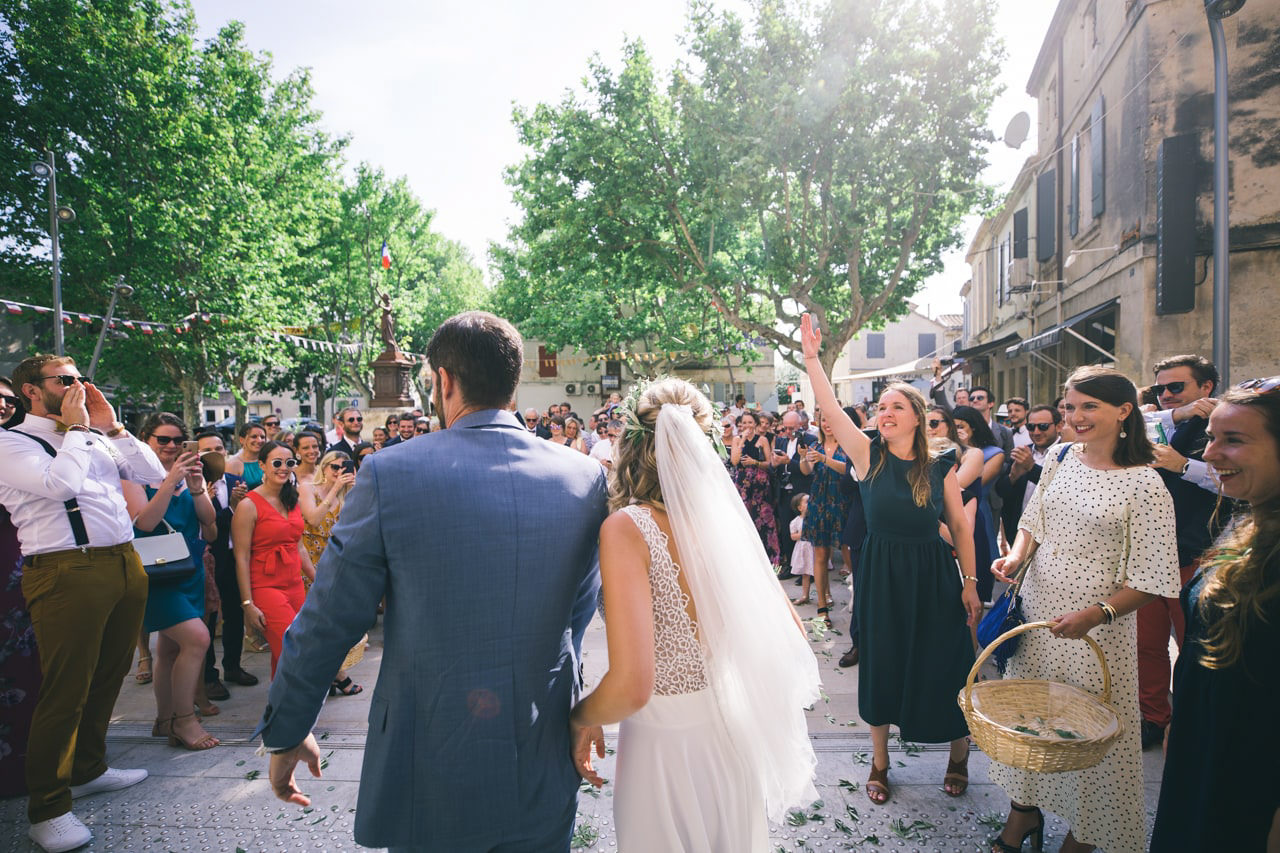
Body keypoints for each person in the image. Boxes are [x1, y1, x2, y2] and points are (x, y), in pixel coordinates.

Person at [255, 311, 608, 851]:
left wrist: (287, 729)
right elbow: (577, 614)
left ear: (444, 380)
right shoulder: (584, 476)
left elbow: (330, 618)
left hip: (431, 749)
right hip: (541, 741)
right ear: (512, 383)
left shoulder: (389, 473)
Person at [570, 377, 819, 851]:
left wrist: (580, 717)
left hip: (664, 750)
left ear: (631, 445)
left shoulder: (627, 528)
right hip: (730, 737)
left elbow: (632, 685)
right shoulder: (724, 522)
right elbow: (792, 633)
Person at [988, 366, 1180, 853]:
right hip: (1038, 612)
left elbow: (1153, 580)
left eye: (1088, 406)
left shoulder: (1146, 485)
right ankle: (1023, 819)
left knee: (1089, 737)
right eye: (1070, 407)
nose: (1076, 417)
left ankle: (1085, 836)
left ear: (1124, 411)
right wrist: (1014, 557)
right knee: (1029, 723)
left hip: (1095, 629)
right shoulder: (1060, 455)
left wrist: (1095, 615)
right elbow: (1034, 520)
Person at [800, 315, 980, 806]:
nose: (885, 412)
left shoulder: (940, 464)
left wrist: (971, 582)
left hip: (933, 573)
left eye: (896, 406)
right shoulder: (866, 454)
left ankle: (958, 752)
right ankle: (880, 761)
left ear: (917, 417)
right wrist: (813, 359)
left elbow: (960, 528)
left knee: (945, 661)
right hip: (880, 574)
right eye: (881, 406)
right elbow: (832, 410)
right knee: (881, 662)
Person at [0, 355, 162, 852]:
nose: (77, 387)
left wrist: (111, 426)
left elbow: (152, 472)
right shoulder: (11, 441)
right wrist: (75, 429)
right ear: (31, 390)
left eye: (80, 378)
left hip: (123, 561)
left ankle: (88, 768)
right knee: (65, 688)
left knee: (109, 673)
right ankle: (47, 809)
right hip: (65, 569)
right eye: (65, 381)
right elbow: (59, 485)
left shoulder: (90, 434)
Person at [1151, 378, 1280, 852]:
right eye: (1210, 437)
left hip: (1252, 775)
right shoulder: (1249, 527)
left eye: (1234, 440)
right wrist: (1181, 724)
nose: (1209, 454)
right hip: (1208, 747)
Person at [1137, 354, 1224, 748]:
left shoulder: (1224, 424)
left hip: (1196, 552)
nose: (1166, 395)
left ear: (1206, 387)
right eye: (1161, 388)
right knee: (1145, 645)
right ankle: (1152, 718)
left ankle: (1192, 723)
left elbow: (1235, 481)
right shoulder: (1157, 419)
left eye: (1177, 387)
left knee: (1193, 646)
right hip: (1147, 555)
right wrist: (1179, 412)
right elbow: (1124, 424)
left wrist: (1182, 465)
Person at [122, 413, 220, 752]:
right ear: (145, 441)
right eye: (162, 440)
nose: (171, 446)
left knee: (169, 648)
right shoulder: (131, 476)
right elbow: (145, 522)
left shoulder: (190, 478)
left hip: (188, 570)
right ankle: (184, 719)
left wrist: (195, 490)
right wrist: (168, 482)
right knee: (198, 638)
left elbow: (211, 527)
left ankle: (164, 719)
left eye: (178, 440)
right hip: (154, 573)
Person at [232, 441, 315, 678]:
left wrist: (317, 581)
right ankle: (290, 705)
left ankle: (280, 705)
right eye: (277, 463)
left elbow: (299, 547)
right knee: (292, 646)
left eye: (289, 463)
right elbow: (241, 556)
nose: (284, 468)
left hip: (294, 584)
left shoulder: (292, 499)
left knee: (285, 651)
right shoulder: (248, 505)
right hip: (265, 585)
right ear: (262, 465)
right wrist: (248, 604)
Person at [196, 430, 257, 703]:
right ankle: (209, 676)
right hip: (208, 558)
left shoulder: (236, 481)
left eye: (219, 448)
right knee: (208, 619)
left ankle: (232, 666)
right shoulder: (194, 486)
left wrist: (242, 504)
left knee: (235, 614)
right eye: (207, 450)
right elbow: (207, 527)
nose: (215, 453)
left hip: (235, 558)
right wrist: (228, 507)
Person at [298, 450, 362, 696]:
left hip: (335, 562)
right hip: (309, 563)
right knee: (316, 626)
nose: (338, 472)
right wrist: (335, 489)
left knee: (331, 625)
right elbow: (313, 520)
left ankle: (331, 675)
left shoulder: (347, 492)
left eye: (343, 467)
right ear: (323, 467)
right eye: (333, 467)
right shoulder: (307, 488)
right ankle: (337, 676)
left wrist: (354, 490)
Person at [798, 408, 852, 627]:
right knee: (820, 555)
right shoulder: (816, 446)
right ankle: (822, 607)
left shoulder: (847, 446)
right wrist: (804, 459)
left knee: (849, 554)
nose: (827, 423)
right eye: (823, 420)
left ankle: (858, 601)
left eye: (830, 419)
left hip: (843, 504)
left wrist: (823, 458)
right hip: (819, 503)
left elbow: (848, 470)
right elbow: (806, 471)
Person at [951, 405, 1005, 602]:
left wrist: (965, 449)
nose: (956, 430)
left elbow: (969, 484)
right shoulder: (947, 451)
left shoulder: (992, 453)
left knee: (977, 569)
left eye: (960, 426)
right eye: (952, 426)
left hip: (976, 510)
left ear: (973, 427)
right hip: (947, 515)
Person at [993, 404, 1060, 545]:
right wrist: (1013, 477)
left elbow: (1060, 490)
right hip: (1019, 535)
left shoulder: (1068, 454)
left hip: (1053, 536)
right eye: (1031, 427)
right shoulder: (1022, 453)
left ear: (1058, 426)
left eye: (1042, 426)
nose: (1036, 432)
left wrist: (1031, 468)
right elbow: (1000, 491)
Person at [730, 410, 781, 566]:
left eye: (750, 422)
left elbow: (769, 463)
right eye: (744, 423)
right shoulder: (736, 439)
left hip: (760, 486)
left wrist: (755, 463)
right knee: (745, 519)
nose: (747, 425)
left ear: (756, 424)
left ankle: (771, 560)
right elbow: (734, 461)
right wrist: (743, 438)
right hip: (743, 484)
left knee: (765, 520)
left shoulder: (763, 440)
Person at [772, 411, 816, 578]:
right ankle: (791, 566)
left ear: (800, 426)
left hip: (801, 490)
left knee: (804, 530)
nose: (788, 432)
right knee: (786, 530)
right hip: (784, 490)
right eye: (786, 428)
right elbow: (774, 466)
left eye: (792, 428)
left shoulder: (809, 440)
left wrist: (790, 462)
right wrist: (775, 463)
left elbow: (808, 471)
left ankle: (809, 571)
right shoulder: (782, 440)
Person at [789, 493, 815, 603]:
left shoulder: (815, 518)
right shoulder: (796, 521)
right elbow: (793, 536)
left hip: (814, 548)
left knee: (819, 573)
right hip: (803, 549)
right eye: (807, 502)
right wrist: (802, 533)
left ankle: (826, 595)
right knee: (805, 573)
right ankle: (805, 595)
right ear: (800, 508)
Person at [225, 421, 267, 488]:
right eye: (254, 436)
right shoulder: (233, 464)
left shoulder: (268, 460)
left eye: (262, 437)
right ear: (242, 440)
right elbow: (231, 494)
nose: (259, 440)